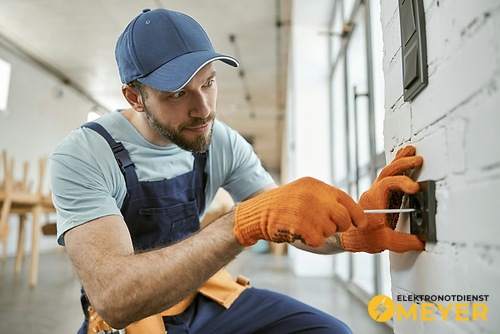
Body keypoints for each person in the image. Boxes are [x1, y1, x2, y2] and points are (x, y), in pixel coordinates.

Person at [50, 8, 425, 334]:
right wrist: (239, 224)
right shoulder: (84, 155)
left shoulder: (219, 140)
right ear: (134, 97)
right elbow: (115, 298)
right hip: (131, 321)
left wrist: (352, 232)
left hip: (203, 296)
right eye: (178, 94)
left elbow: (289, 224)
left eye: (208, 82)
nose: (204, 109)